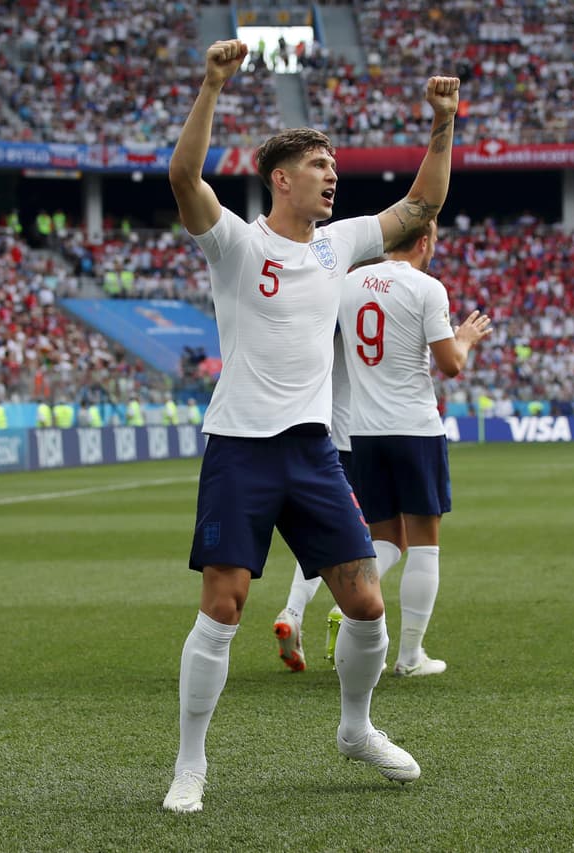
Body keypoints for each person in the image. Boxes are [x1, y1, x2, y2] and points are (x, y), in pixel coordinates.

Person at [162, 38, 459, 814]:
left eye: (334, 166)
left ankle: (356, 728)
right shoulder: (237, 243)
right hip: (240, 448)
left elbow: (421, 206)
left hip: (313, 450)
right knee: (224, 603)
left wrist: (443, 124)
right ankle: (190, 764)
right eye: (318, 166)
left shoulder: (339, 244)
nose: (332, 176)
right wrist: (211, 86)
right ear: (281, 179)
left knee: (365, 602)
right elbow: (184, 178)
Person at [337, 220, 490, 676]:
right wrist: (465, 339)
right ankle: (409, 657)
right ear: (424, 242)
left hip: (363, 431)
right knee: (424, 545)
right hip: (414, 428)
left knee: (382, 540)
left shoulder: (349, 283)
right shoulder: (427, 288)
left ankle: (348, 605)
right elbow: (451, 365)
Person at [272, 334, 358, 673]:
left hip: (317, 434)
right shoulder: (354, 309)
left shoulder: (320, 315)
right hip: (362, 434)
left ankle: (293, 611)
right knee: (389, 536)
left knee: (320, 538)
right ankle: (347, 611)